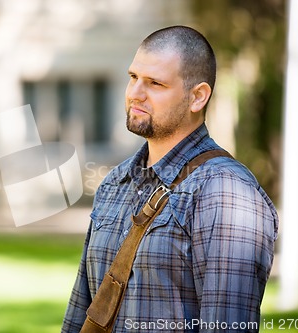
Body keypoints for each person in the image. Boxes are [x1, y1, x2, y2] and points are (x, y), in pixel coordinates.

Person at [61, 25, 278, 333]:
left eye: (155, 83)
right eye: (133, 77)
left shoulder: (226, 192)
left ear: (197, 97)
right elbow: (81, 315)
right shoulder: (113, 184)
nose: (135, 93)